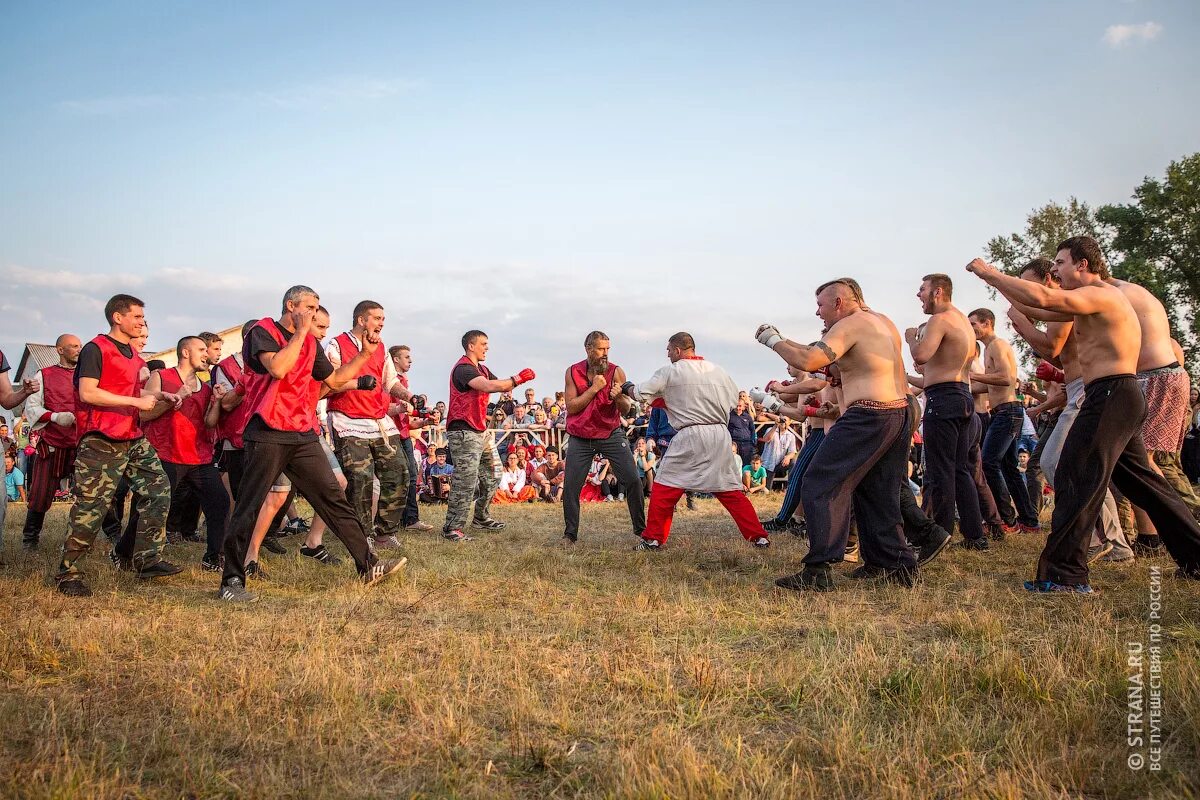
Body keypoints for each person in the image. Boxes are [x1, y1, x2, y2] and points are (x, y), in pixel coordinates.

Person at [967, 239, 1200, 591]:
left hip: (1111, 396)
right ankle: (1195, 556)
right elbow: (1043, 310)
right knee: (1146, 485)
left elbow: (1045, 299)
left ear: (1083, 265)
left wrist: (989, 273)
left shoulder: (1102, 294)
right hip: (1115, 395)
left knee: (1075, 478)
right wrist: (1012, 299)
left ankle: (1065, 577)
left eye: (1060, 263)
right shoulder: (1089, 301)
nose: (1055, 271)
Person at [220, 286, 406, 602]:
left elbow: (332, 381)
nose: (314, 312)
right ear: (290, 305)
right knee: (250, 504)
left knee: (334, 496)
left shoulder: (309, 342)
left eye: (316, 306)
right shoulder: (263, 331)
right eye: (308, 306)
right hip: (267, 430)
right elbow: (278, 368)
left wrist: (364, 354)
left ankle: (368, 566)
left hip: (302, 431)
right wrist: (302, 331)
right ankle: (232, 582)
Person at [761, 279, 918, 591]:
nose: (818, 312)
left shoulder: (850, 324)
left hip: (870, 412)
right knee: (876, 490)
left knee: (819, 481)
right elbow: (816, 351)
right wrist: (785, 338)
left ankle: (818, 569)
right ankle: (893, 563)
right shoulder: (880, 321)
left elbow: (808, 361)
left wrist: (770, 340)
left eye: (821, 305)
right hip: (898, 411)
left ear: (839, 302)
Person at [56, 295, 183, 597]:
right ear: (118, 317)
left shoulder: (134, 355)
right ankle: (68, 573)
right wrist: (135, 401)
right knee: (92, 508)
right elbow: (88, 392)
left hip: (132, 436)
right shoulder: (95, 349)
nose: (142, 322)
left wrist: (161, 396)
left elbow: (130, 389)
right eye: (137, 316)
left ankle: (147, 559)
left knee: (159, 489)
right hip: (101, 439)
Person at [1008, 260, 1132, 562]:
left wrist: (1019, 320)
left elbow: (1051, 346)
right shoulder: (1063, 306)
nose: (1028, 290)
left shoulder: (1065, 301)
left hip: (1090, 392)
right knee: (1075, 467)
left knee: (1058, 464)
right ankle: (1111, 542)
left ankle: (1103, 539)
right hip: (1082, 390)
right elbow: (1064, 357)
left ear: (1049, 279)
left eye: (1030, 283)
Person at [622, 332, 770, 550]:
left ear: (678, 350)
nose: (668, 354)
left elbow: (643, 393)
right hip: (720, 433)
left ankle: (653, 538)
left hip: (690, 434)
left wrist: (626, 388)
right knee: (729, 489)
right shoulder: (718, 371)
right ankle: (759, 536)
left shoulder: (671, 371)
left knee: (664, 487)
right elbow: (731, 402)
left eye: (669, 350)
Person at [905, 274, 989, 548]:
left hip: (944, 398)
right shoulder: (962, 319)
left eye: (922, 290)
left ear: (938, 292)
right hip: (962, 395)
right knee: (962, 470)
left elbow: (921, 356)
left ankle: (938, 534)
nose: (918, 295)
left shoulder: (939, 319)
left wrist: (910, 339)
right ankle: (975, 535)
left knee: (940, 472)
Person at [324, 301, 414, 550]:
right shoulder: (336, 344)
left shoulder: (381, 347)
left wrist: (408, 396)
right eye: (376, 318)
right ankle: (361, 536)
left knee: (399, 471)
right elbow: (328, 381)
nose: (381, 322)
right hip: (347, 418)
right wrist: (354, 381)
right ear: (361, 320)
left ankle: (385, 532)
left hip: (378, 420)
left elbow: (390, 381)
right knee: (359, 477)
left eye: (383, 318)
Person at [141, 336, 229, 571]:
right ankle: (125, 551)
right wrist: (176, 398)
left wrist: (217, 402)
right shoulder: (160, 377)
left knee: (219, 503)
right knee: (153, 507)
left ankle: (213, 558)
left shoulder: (207, 387)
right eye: (201, 349)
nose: (206, 354)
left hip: (199, 457)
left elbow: (210, 423)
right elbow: (144, 415)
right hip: (166, 454)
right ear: (185, 353)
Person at [443, 330, 534, 542]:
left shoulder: (481, 368)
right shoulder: (463, 368)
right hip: (463, 431)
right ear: (471, 346)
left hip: (480, 432)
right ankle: (452, 528)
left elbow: (500, 385)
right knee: (465, 480)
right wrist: (518, 378)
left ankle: (481, 517)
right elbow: (489, 386)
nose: (487, 347)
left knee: (494, 474)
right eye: (483, 343)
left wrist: (511, 384)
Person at [560, 331, 646, 543]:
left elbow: (626, 409)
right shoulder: (573, 371)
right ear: (588, 349)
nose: (605, 353)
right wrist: (594, 389)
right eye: (600, 349)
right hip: (580, 436)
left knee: (634, 480)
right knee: (571, 485)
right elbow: (571, 407)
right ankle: (570, 534)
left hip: (610, 433)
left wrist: (618, 398)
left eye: (608, 349)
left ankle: (641, 530)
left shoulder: (616, 372)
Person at [969, 308, 1040, 534]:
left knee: (989, 462)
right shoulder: (990, 348)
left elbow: (1006, 379)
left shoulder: (998, 345)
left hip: (1008, 412)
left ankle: (1007, 521)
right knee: (1009, 467)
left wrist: (972, 376)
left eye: (974, 325)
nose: (971, 330)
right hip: (1003, 412)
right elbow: (988, 386)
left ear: (987, 323)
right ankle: (1029, 520)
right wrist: (961, 384)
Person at [21, 333, 82, 549]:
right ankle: (30, 539)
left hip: (83, 445)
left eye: (80, 346)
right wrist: (56, 417)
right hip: (54, 444)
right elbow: (32, 407)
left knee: (92, 493)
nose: (78, 349)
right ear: (60, 350)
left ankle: (104, 536)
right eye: (73, 346)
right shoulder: (44, 375)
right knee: (40, 492)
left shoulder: (88, 376)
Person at [388, 345, 434, 532]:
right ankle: (398, 520)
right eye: (406, 357)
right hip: (391, 434)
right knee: (398, 477)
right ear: (395, 360)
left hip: (403, 434)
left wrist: (425, 421)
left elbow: (405, 420)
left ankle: (410, 520)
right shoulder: (390, 382)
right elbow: (388, 410)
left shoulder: (403, 381)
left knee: (410, 475)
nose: (410, 360)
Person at [760, 417, 798, 484]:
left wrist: (788, 457)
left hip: (780, 463)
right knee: (766, 490)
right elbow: (766, 439)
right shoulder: (770, 429)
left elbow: (792, 452)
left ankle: (791, 485)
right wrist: (775, 425)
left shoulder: (791, 436)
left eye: (785, 420)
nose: (783, 422)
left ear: (789, 422)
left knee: (793, 461)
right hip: (767, 464)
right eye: (782, 420)